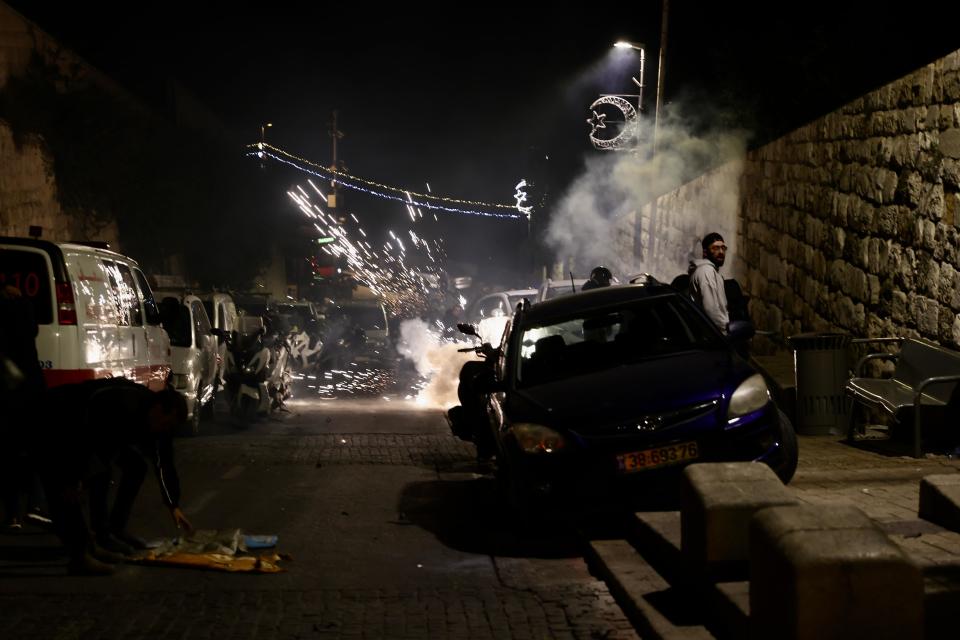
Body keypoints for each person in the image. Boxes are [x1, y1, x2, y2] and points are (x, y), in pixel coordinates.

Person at [38, 378, 193, 575]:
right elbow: (89, 444)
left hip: (93, 435)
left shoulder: (159, 423)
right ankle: (81, 554)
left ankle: (109, 533)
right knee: (64, 488)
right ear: (158, 409)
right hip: (57, 422)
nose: (165, 430)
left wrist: (173, 504)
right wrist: (76, 479)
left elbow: (164, 460)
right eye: (167, 424)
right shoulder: (122, 405)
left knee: (135, 467)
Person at [0, 285, 48, 531]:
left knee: (8, 453)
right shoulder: (23, 307)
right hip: (29, 387)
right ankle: (35, 506)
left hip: (7, 392)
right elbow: (32, 330)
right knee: (35, 448)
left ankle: (11, 515)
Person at [689, 232, 730, 333]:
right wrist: (724, 333)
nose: (721, 252)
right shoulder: (706, 272)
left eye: (723, 248)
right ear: (705, 252)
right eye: (715, 248)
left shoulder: (710, 271)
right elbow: (711, 311)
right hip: (714, 337)